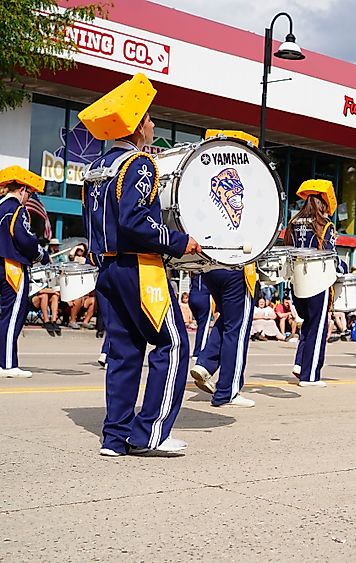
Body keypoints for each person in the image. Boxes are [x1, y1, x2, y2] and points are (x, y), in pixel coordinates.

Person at [79, 73, 201, 455]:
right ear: (136, 127)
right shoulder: (140, 164)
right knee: (175, 344)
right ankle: (149, 433)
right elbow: (136, 223)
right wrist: (181, 241)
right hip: (140, 268)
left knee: (124, 351)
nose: (152, 126)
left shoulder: (96, 168)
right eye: (149, 120)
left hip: (108, 270)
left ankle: (114, 438)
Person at [283, 179, 340, 387]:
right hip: (318, 281)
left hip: (297, 281)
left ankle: (300, 363)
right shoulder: (325, 225)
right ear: (324, 203)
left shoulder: (293, 224)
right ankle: (311, 375)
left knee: (308, 324)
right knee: (318, 327)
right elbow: (331, 255)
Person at [0, 166, 51, 377]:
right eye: (29, 193)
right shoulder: (16, 209)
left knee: (4, 315)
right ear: (21, 189)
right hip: (12, 267)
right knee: (13, 316)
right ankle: (8, 364)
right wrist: (42, 256)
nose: (28, 197)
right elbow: (24, 238)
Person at [190, 266, 258, 407]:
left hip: (209, 269)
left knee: (228, 320)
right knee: (237, 331)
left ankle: (206, 363)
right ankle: (227, 392)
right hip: (236, 266)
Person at [188, 272, 214, 360]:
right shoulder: (207, 270)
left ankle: (202, 348)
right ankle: (199, 352)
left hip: (192, 296)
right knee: (204, 326)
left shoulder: (193, 269)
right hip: (204, 296)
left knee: (201, 326)